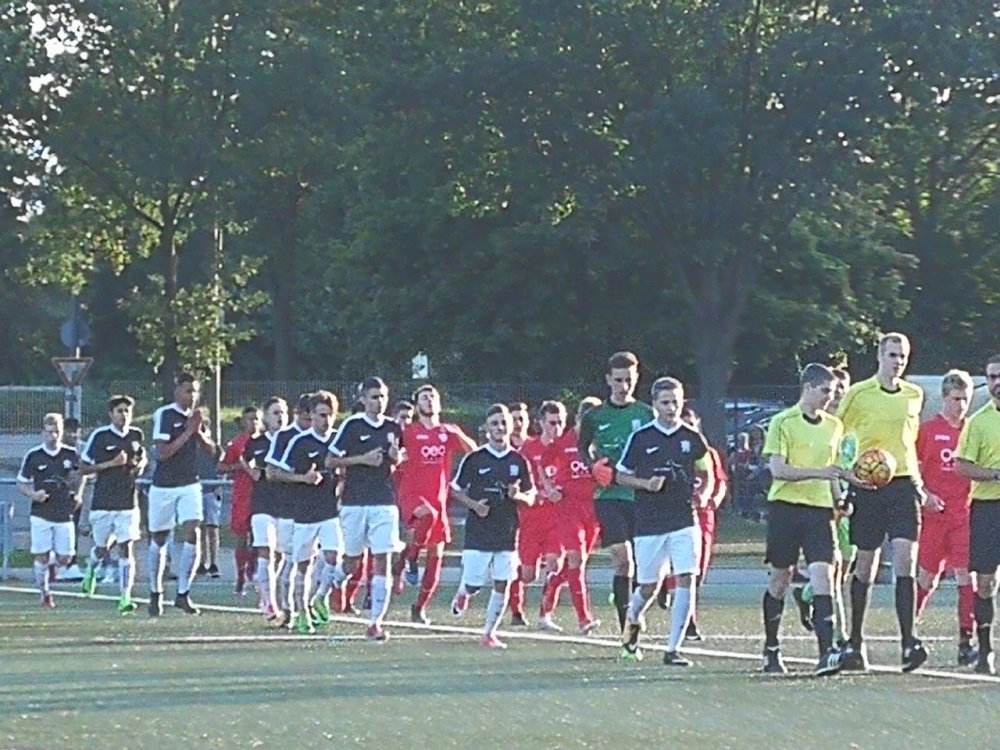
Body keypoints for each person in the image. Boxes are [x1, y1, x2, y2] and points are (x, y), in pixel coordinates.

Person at [758, 364, 860, 676]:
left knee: (824, 576)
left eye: (833, 391)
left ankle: (826, 652)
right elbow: (778, 470)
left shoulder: (834, 426)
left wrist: (840, 499)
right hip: (786, 508)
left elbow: (832, 471)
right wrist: (820, 473)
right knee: (780, 579)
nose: (830, 397)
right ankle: (771, 648)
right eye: (825, 390)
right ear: (808, 388)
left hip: (819, 512)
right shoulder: (783, 422)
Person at [837, 333, 928, 672]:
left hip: (903, 484)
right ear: (880, 356)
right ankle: (855, 642)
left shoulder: (914, 395)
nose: (898, 361)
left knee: (906, 560)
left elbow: (909, 441)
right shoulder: (859, 394)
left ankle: (909, 641)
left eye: (902, 356)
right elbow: (837, 433)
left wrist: (918, 482)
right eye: (892, 355)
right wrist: (847, 474)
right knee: (866, 564)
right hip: (869, 487)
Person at [616, 377, 709, 666]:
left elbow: (707, 471)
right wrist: (646, 484)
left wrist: (704, 494)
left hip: (684, 519)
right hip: (649, 522)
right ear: (655, 404)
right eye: (665, 402)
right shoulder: (641, 438)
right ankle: (632, 623)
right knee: (649, 586)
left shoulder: (692, 437)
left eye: (675, 402)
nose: (671, 408)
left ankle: (673, 649)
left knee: (686, 577)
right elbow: (621, 475)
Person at [577, 351, 655, 631]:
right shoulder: (595, 416)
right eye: (619, 380)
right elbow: (582, 448)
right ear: (608, 380)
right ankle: (627, 630)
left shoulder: (646, 413)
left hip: (641, 495)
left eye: (629, 380)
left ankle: (628, 600)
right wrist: (593, 467)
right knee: (623, 559)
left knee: (643, 566)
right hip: (609, 495)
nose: (624, 386)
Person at [450, 404, 536, 649]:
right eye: (495, 423)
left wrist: (518, 496)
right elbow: (454, 490)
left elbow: (531, 497)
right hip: (478, 531)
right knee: (474, 583)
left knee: (503, 582)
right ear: (487, 429)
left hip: (507, 531)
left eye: (503, 423)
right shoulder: (475, 459)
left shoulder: (519, 461)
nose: (500, 427)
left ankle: (489, 633)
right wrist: (475, 506)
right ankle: (464, 592)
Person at [326, 376, 404, 641]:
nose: (379, 402)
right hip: (355, 502)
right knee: (352, 561)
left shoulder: (393, 427)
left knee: (383, 559)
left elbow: (399, 458)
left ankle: (375, 623)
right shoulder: (352, 425)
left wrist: (396, 458)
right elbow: (330, 460)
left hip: (384, 501)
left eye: (382, 397)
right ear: (363, 400)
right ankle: (335, 581)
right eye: (374, 397)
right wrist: (363, 459)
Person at [393, 385, 476, 624]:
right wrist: (397, 457)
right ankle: (410, 560)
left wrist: (458, 434)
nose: (429, 400)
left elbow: (473, 452)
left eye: (433, 397)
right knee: (426, 516)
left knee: (435, 558)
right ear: (417, 405)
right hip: (412, 495)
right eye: (424, 398)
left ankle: (418, 607)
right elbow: (393, 453)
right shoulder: (409, 431)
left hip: (438, 499)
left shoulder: (447, 431)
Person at [914, 370, 977, 666]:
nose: (961, 405)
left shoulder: (973, 430)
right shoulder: (927, 431)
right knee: (927, 577)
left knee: (967, 576)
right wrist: (925, 495)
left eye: (965, 399)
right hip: (935, 516)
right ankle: (909, 632)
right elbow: (913, 472)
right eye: (956, 399)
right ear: (944, 397)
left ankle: (967, 640)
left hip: (964, 516)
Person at [147, 372, 217, 617]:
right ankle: (155, 591)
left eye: (195, 391)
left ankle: (183, 593)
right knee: (159, 538)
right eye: (188, 390)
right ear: (177, 391)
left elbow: (212, 451)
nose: (192, 396)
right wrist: (188, 432)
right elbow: (163, 453)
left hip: (190, 483)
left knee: (193, 531)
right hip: (164, 485)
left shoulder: (197, 418)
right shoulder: (165, 415)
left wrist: (199, 432)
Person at [273, 391, 343, 635]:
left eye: (330, 415)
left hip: (330, 512)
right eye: (321, 415)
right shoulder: (300, 442)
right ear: (311, 415)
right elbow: (274, 472)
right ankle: (301, 612)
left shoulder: (337, 440)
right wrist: (303, 478)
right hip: (304, 514)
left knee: (334, 557)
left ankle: (319, 597)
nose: (326, 420)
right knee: (303, 565)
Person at [656, 406, 729, 642]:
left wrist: (712, 499)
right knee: (683, 568)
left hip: (703, 516)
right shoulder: (668, 449)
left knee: (698, 571)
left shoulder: (707, 453)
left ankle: (670, 589)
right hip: (675, 514)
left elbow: (719, 481)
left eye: (691, 424)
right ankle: (689, 622)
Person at [792, 367, 854, 644]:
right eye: (832, 388)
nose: (837, 393)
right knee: (832, 568)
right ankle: (839, 634)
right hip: (825, 504)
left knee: (843, 570)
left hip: (849, 505)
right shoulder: (820, 424)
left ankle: (807, 595)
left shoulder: (850, 427)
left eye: (842, 388)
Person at [536, 398, 602, 634]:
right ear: (579, 418)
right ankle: (584, 619)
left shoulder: (600, 442)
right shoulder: (565, 442)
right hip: (568, 507)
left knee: (578, 562)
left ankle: (552, 585)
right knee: (576, 558)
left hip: (592, 508)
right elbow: (542, 464)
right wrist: (549, 489)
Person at [79, 395, 147, 614]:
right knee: (102, 548)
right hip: (103, 503)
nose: (124, 415)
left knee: (126, 547)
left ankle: (125, 597)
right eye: (120, 411)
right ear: (111, 414)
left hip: (127, 502)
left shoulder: (136, 435)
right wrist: (111, 463)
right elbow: (84, 467)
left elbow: (141, 456)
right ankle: (92, 568)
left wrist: (141, 464)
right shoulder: (100, 436)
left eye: (127, 411)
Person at [955, 354, 1000, 675]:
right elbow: (962, 466)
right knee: (985, 583)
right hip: (988, 508)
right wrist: (995, 475)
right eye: (992, 378)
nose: (997, 383)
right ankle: (985, 650)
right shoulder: (978, 421)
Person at [17, 413, 82, 608]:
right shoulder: (34, 455)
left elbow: (80, 475)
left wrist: (77, 493)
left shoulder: (70, 453)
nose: (53, 436)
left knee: (66, 558)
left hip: (64, 513)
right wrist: (33, 494)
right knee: (41, 556)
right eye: (49, 432)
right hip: (41, 514)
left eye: (56, 432)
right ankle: (44, 593)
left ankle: (51, 563)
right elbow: (21, 483)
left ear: (62, 433)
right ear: (42, 433)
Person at [518, 401, 572, 632]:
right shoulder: (528, 451)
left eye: (560, 423)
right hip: (531, 519)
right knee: (527, 574)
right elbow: (519, 482)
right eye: (551, 423)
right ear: (540, 423)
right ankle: (511, 599)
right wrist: (537, 493)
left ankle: (545, 615)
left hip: (558, 518)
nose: (556, 428)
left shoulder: (569, 450)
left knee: (554, 565)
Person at [264, 393, 313, 628]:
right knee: (291, 560)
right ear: (297, 414)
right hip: (289, 508)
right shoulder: (284, 437)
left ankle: (312, 603)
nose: (310, 422)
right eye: (306, 417)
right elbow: (271, 472)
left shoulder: (324, 435)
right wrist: (301, 478)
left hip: (317, 511)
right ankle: (288, 609)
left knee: (319, 561)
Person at [244, 397, 288, 621]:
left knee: (279, 554)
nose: (280, 417)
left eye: (283, 412)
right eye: (275, 413)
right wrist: (252, 471)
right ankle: (270, 604)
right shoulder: (257, 442)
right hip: (262, 503)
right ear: (266, 418)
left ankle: (263, 587)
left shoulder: (291, 440)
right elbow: (244, 459)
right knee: (265, 550)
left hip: (285, 504)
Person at [218, 406, 261, 595]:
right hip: (243, 495)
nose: (254, 423)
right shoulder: (236, 444)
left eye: (257, 419)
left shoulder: (265, 442)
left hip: (262, 494)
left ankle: (254, 570)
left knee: (259, 538)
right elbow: (221, 467)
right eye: (250, 419)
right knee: (242, 537)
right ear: (243, 421)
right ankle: (240, 577)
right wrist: (240, 466)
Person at [56, 416, 86, 582]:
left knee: (72, 530)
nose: (73, 435)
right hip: (54, 497)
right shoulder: (55, 449)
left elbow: (82, 473)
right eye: (69, 431)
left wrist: (78, 494)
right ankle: (56, 566)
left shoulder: (81, 450)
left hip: (73, 497)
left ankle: (71, 565)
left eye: (76, 431)